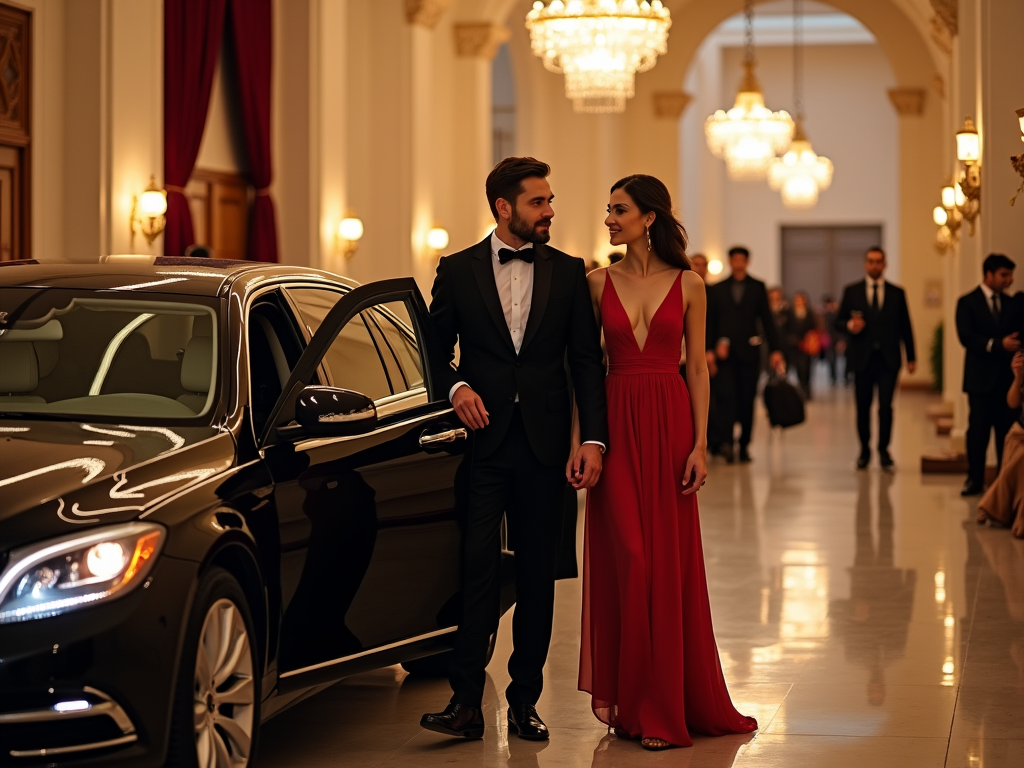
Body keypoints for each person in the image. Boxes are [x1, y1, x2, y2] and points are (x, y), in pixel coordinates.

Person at [421, 157, 609, 741]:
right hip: (484, 446)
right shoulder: (456, 271)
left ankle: (525, 700)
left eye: (550, 201)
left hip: (547, 448)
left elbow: (585, 362)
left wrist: (594, 440)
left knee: (535, 577)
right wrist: (455, 388)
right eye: (538, 202)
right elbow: (430, 352)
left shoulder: (569, 272)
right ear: (504, 208)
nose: (549, 211)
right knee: (475, 570)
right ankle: (465, 702)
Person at [578, 174, 757, 750]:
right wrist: (584, 441)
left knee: (666, 564)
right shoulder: (594, 283)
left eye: (619, 210)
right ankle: (635, 700)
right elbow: (582, 371)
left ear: (648, 217)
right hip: (617, 423)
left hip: (671, 420)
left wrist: (701, 444)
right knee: (630, 557)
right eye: (608, 210)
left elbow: (698, 368)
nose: (609, 219)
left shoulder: (691, 284)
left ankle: (660, 707)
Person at [835, 247, 916, 471]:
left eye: (878, 262)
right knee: (862, 407)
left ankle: (884, 450)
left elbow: (906, 326)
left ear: (885, 264)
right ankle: (864, 450)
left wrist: (911, 356)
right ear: (865, 264)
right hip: (862, 359)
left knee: (886, 407)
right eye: (870, 261)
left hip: (888, 360)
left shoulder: (896, 293)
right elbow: (838, 321)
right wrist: (850, 326)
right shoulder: (852, 291)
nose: (874, 265)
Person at [706, 246, 785, 463]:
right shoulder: (718, 289)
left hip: (750, 354)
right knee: (726, 400)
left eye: (742, 260)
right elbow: (710, 322)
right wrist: (709, 349)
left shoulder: (757, 287)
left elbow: (767, 321)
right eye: (735, 260)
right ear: (730, 261)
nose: (738, 263)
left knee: (747, 400)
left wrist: (776, 350)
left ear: (747, 262)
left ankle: (744, 445)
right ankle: (727, 444)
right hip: (724, 355)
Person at [956, 253, 1022, 496]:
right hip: (979, 380)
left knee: (1006, 433)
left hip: (1008, 382)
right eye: (1004, 275)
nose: (1009, 280)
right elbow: (966, 337)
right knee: (978, 431)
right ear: (989, 275)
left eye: (1010, 275)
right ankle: (974, 478)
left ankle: (1005, 482)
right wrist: (996, 344)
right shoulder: (967, 302)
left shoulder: (1013, 304)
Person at [976, 351, 1024, 536]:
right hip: (1020, 433)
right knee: (1018, 451)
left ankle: (991, 504)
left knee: (1020, 457)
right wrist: (1018, 377)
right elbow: (1012, 402)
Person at [786, 291, 820, 399]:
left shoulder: (810, 313)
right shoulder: (789, 313)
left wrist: (810, 340)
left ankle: (806, 390)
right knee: (797, 368)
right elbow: (787, 329)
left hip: (807, 346)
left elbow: (814, 328)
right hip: (794, 345)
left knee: (807, 369)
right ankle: (800, 389)